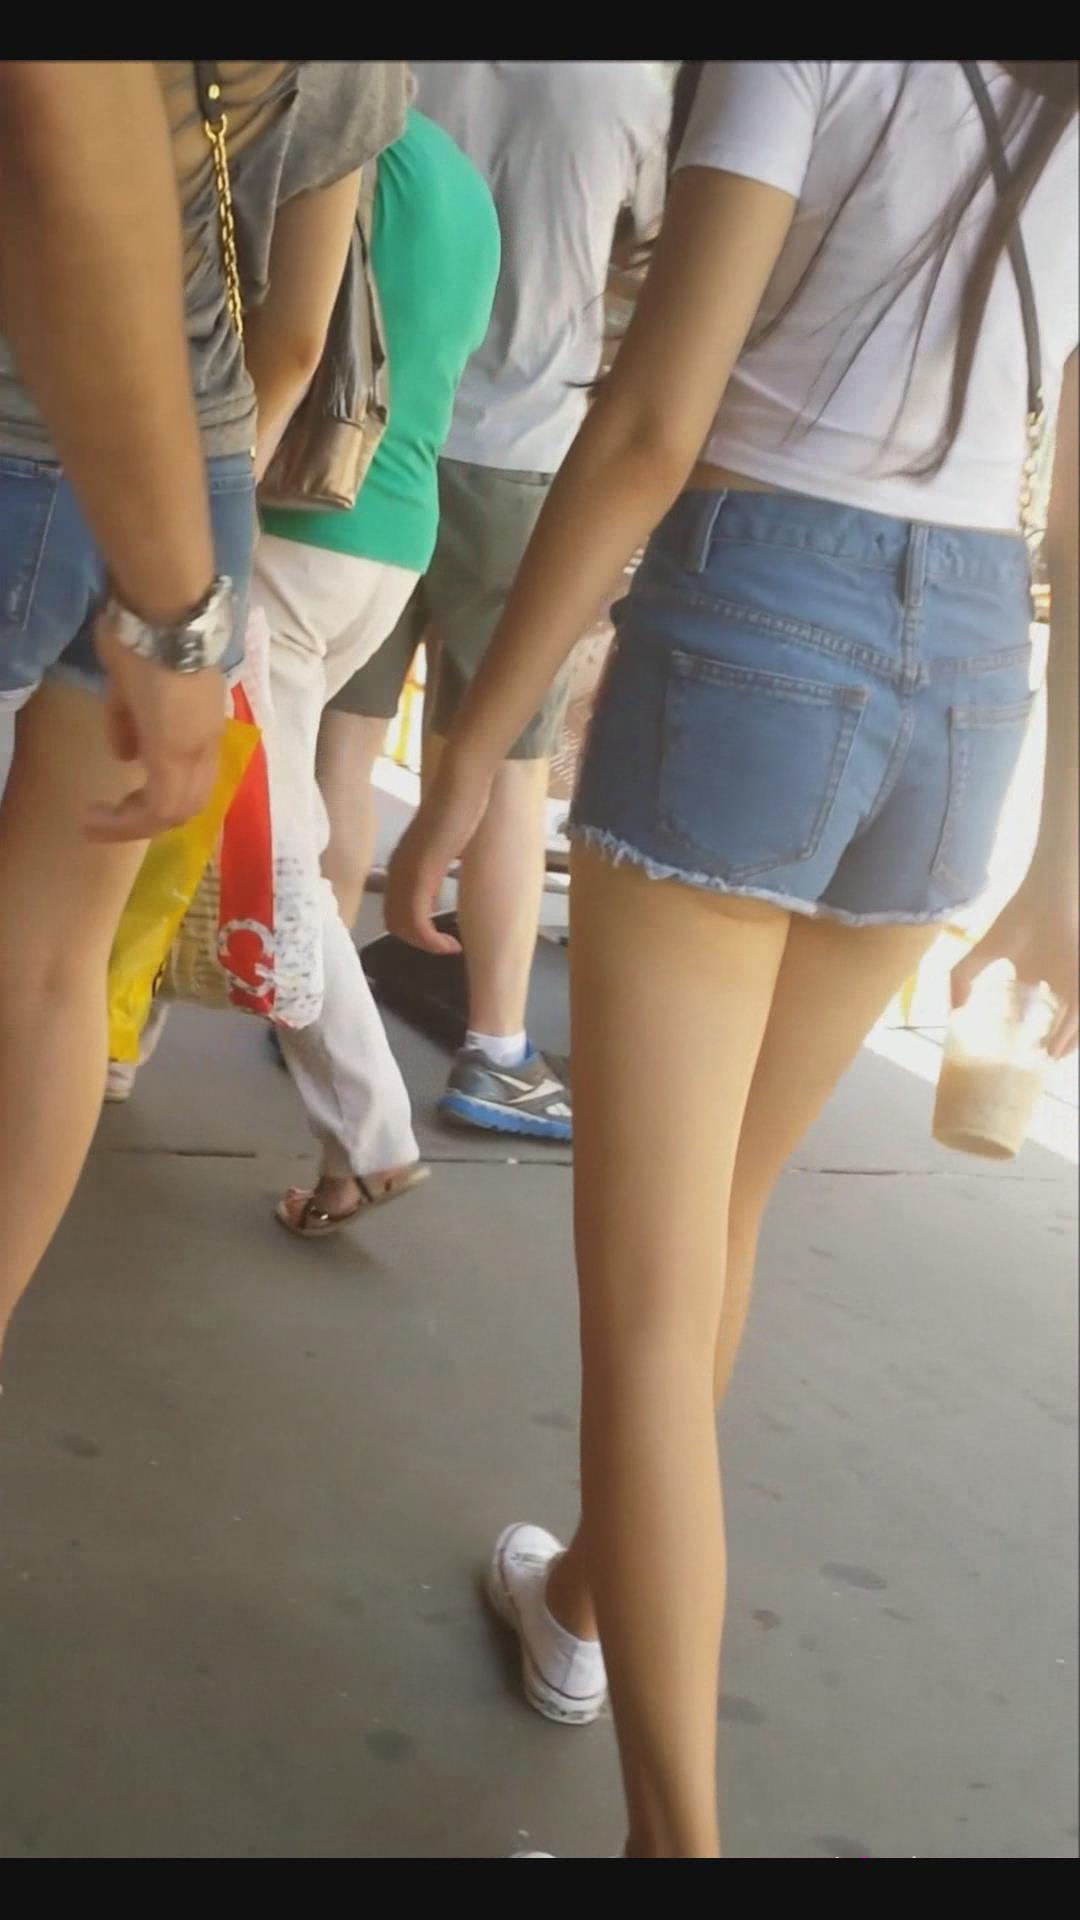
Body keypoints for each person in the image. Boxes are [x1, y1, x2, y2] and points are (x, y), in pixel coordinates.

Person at [387, 61, 1079, 1857]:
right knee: (722, 1218)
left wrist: (477, 743)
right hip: (971, 674)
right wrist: (1063, 858)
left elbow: (649, 424)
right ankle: (581, 1606)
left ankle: (672, 1843)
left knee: (647, 1293)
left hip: (758, 620)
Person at [0, 60, 405, 1355]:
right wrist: (189, 545)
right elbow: (295, 338)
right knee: (54, 967)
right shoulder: (365, 64)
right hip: (193, 468)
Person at [327, 61, 670, 1143]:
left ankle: (313, 1011)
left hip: (373, 432)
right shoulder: (630, 85)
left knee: (339, 742)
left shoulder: (408, 58)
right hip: (529, 462)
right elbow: (664, 261)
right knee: (511, 771)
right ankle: (496, 1048)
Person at [250, 103, 501, 1235]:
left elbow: (293, 346)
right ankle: (115, 1042)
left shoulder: (325, 139)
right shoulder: (462, 184)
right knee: (240, 809)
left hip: (293, 521)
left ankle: (372, 1133)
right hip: (393, 533)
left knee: (273, 847)